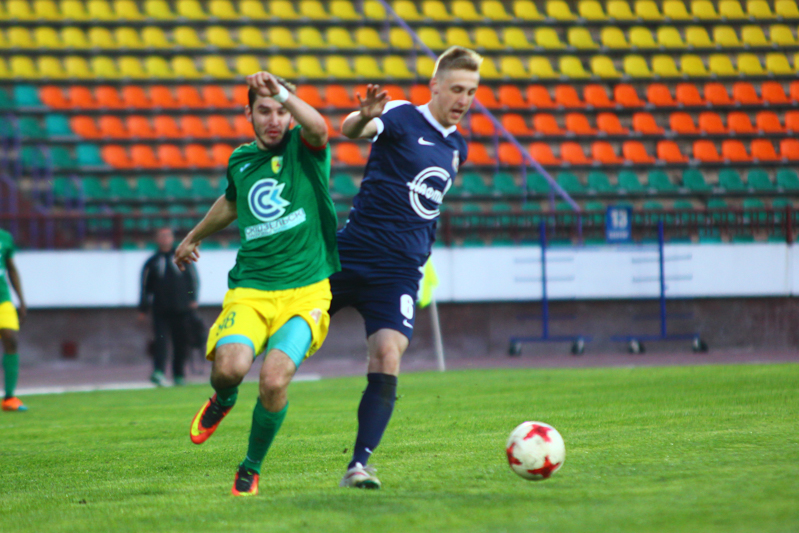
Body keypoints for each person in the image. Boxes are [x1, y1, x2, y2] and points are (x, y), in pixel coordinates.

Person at [174, 71, 339, 496]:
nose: (274, 120)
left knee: (273, 380)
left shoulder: (305, 149)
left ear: (291, 114)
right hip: (252, 288)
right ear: (248, 113)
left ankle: (250, 466)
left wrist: (282, 92)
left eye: (282, 111)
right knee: (228, 370)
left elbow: (320, 127)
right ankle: (224, 398)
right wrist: (193, 236)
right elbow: (232, 203)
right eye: (264, 110)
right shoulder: (241, 160)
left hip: (306, 291)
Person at [332, 46, 481, 488]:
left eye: (471, 92)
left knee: (388, 354)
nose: (463, 99)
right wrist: (363, 116)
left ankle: (358, 465)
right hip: (352, 253)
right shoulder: (400, 115)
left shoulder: (457, 148)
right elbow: (352, 129)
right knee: (291, 332)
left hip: (398, 272)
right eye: (456, 89)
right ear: (435, 86)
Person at [138, 227, 199, 386]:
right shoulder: (152, 262)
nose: (165, 239)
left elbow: (191, 280)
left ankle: (179, 374)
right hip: (161, 309)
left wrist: (192, 298)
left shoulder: (182, 258)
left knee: (181, 342)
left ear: (172, 238)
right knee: (160, 342)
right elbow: (145, 286)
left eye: (167, 236)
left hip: (182, 308)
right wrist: (143, 307)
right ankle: (159, 372)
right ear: (156, 239)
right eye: (162, 236)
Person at [0, 228, 27, 412]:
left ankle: (9, 397)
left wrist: (21, 300)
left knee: (11, 339)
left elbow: (11, 268)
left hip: (3, 298)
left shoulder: (4, 237)